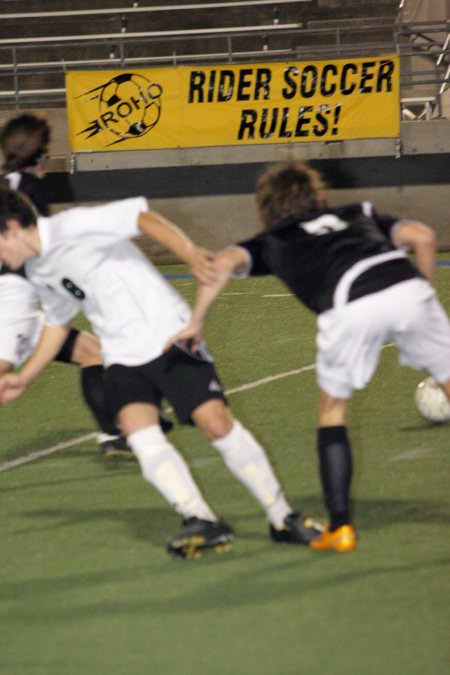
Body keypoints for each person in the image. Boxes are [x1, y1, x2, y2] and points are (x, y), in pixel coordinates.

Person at [0, 187, 322, 558]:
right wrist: (24, 377)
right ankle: (200, 519)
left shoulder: (73, 226)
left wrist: (187, 253)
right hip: (120, 353)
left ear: (11, 227)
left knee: (215, 423)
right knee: (139, 433)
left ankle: (282, 516)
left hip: (170, 333)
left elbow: (142, 216)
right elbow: (56, 324)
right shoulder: (38, 269)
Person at [166, 160, 450, 553]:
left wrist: (196, 322)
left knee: (333, 413)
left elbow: (221, 265)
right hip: (407, 287)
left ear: (267, 207)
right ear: (319, 195)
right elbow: (424, 235)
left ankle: (340, 527)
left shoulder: (272, 240)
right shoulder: (358, 213)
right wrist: (424, 299)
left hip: (349, 303)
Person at [0, 112, 172, 458]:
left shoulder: (8, 184)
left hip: (26, 295)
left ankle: (114, 434)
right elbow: (40, 247)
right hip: (13, 295)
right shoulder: (28, 190)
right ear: (40, 154)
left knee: (93, 352)